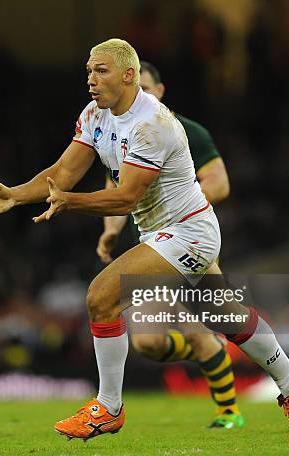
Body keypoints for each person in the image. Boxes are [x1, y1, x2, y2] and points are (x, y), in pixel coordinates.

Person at [0, 38, 289, 442]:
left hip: (188, 232)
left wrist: (70, 203)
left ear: (129, 75)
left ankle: (108, 408)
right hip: (166, 232)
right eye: (88, 72)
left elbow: (125, 196)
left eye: (101, 71)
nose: (91, 81)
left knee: (101, 296)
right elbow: (61, 174)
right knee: (227, 318)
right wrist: (14, 194)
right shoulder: (95, 114)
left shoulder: (153, 124)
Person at [97, 60, 243, 429]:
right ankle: (210, 351)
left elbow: (220, 183)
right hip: (147, 246)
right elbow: (117, 189)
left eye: (145, 89)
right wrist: (111, 230)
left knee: (205, 327)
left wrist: (175, 203)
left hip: (184, 240)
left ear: (160, 92)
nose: (139, 97)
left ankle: (229, 412)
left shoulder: (187, 131)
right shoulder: (122, 132)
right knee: (148, 344)